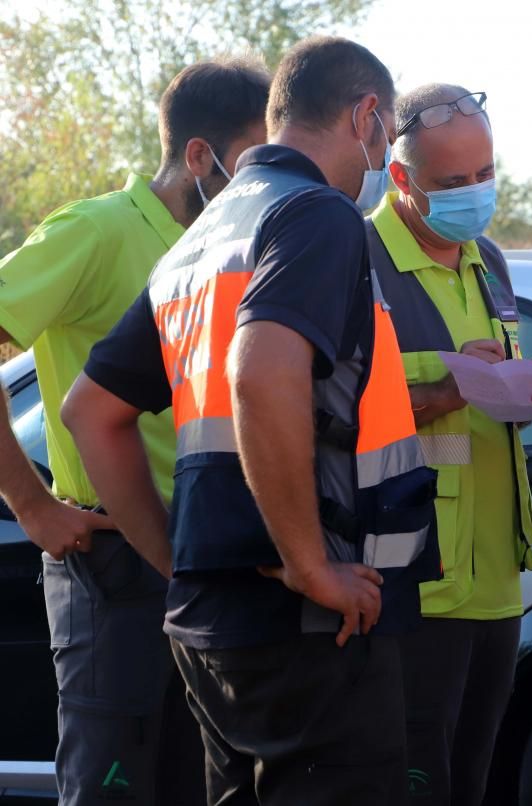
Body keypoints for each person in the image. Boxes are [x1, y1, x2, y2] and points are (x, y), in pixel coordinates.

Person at [62, 36, 436, 806]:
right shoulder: (317, 216)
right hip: (312, 625)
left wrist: (179, 561)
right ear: (366, 115)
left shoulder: (199, 241)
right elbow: (262, 371)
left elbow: (89, 412)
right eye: (389, 136)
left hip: (214, 626)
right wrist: (308, 564)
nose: (384, 157)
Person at [0, 57, 270, 806]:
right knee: (113, 786)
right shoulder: (94, 231)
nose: (268, 175)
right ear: (198, 156)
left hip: (209, 558)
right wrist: (32, 509)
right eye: (256, 154)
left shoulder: (232, 245)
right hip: (112, 564)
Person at [366, 82, 532, 806]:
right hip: (411, 585)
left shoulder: (489, 260)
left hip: (496, 579)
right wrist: (447, 392)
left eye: (484, 175)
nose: (475, 195)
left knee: (472, 783)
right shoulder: (358, 260)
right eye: (454, 182)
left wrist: (531, 387)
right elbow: (321, 417)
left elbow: (490, 408)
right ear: (403, 178)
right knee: (413, 784)